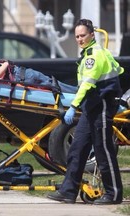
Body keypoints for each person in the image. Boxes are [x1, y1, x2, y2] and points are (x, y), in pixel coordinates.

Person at [47, 19, 124, 204]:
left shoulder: (94, 55)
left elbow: (88, 84)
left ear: (92, 35)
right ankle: (68, 191)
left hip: (102, 104)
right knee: (77, 147)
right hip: (91, 105)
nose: (80, 39)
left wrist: (73, 107)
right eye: (77, 36)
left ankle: (113, 194)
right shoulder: (88, 54)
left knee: (103, 150)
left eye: (83, 35)